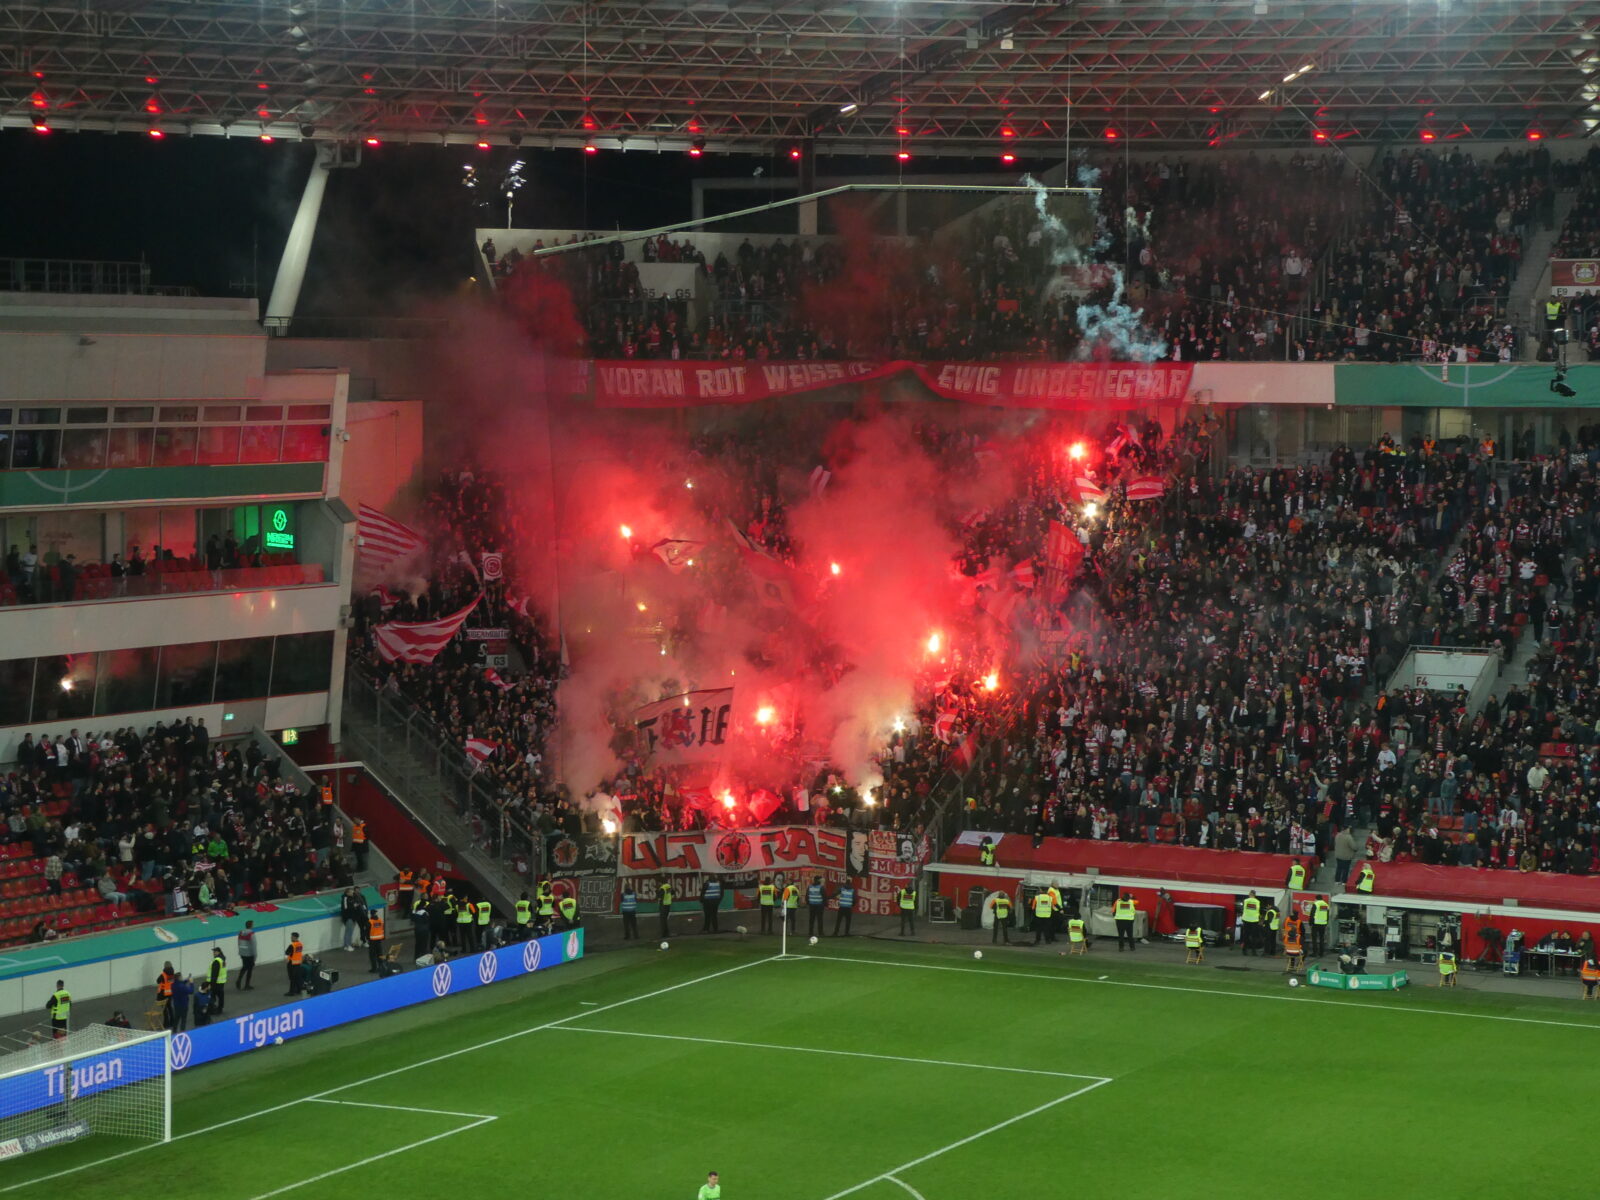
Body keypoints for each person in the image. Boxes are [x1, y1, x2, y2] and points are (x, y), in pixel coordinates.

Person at [341, 886, 365, 952]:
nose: (353, 893)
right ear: (347, 893)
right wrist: (353, 906)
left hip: (353, 917)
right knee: (349, 932)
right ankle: (347, 945)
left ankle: (347, 945)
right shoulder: (345, 898)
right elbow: (346, 908)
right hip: (349, 917)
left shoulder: (353, 898)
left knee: (349, 932)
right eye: (351, 892)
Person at [1239, 891, 1262, 955]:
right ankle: (1253, 951)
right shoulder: (1257, 902)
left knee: (1245, 936)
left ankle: (1244, 951)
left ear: (1249, 894)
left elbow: (1243, 908)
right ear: (1255, 895)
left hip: (1246, 920)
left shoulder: (1246, 901)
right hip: (1254, 921)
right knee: (1254, 936)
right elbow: (1258, 910)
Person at [237, 921, 257, 990]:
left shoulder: (241, 933)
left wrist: (240, 952)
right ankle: (247, 985)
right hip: (249, 954)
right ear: (251, 926)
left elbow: (239, 943)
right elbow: (254, 946)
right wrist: (255, 956)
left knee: (244, 967)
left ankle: (239, 980)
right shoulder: (251, 934)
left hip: (243, 953)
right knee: (250, 969)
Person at [284, 931, 306, 996]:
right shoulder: (300, 944)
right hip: (298, 963)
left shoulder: (292, 945)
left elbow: (287, 952)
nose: (291, 938)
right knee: (297, 977)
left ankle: (291, 992)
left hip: (292, 964)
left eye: (291, 937)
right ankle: (299, 990)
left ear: (294, 937)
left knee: (292, 978)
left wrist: (289, 957)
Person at [156, 961, 176, 1028]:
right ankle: (172, 1022)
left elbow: (158, 981)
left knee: (164, 1010)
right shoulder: (173, 974)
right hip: (170, 994)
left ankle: (166, 1024)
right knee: (170, 1008)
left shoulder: (163, 975)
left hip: (163, 995)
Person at [367, 907, 387, 973]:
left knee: (372, 955)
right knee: (380, 954)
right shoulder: (380, 920)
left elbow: (367, 931)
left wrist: (367, 939)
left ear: (371, 914)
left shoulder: (370, 922)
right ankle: (381, 967)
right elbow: (382, 929)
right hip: (379, 940)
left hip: (372, 940)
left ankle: (374, 968)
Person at [208, 946, 227, 1014]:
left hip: (216, 983)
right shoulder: (222, 959)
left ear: (218, 952)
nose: (213, 953)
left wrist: (211, 984)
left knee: (212, 996)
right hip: (221, 982)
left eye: (215, 952)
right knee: (221, 996)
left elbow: (214, 974)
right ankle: (220, 1008)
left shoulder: (216, 961)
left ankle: (213, 1009)